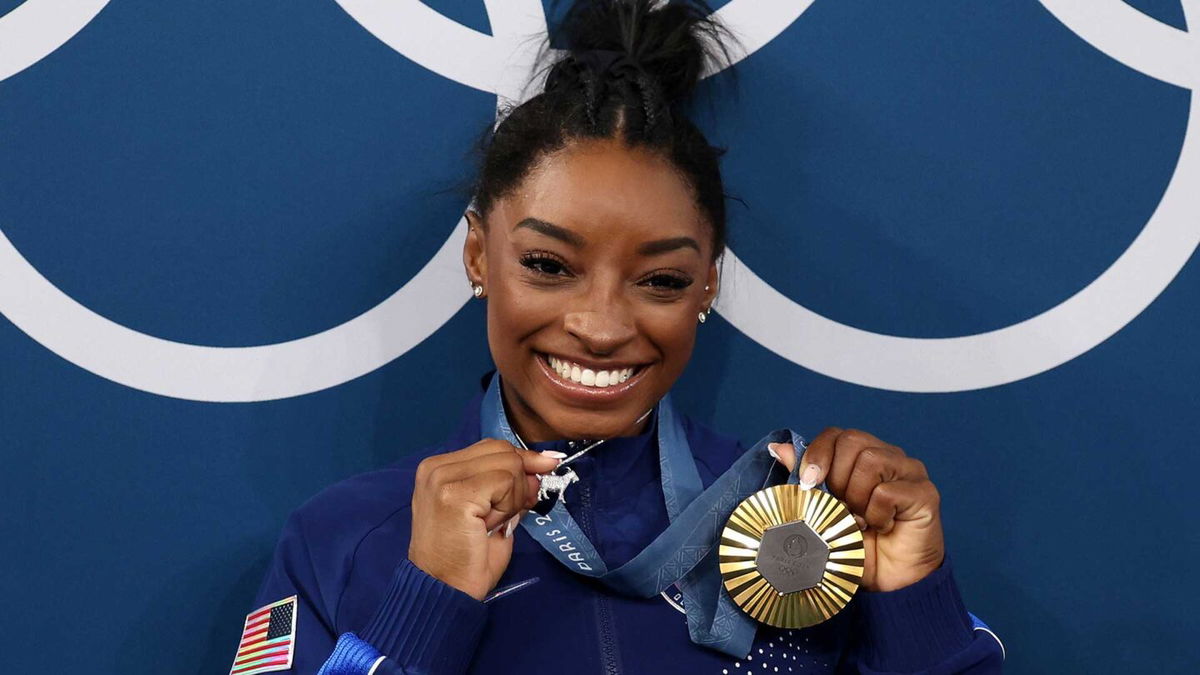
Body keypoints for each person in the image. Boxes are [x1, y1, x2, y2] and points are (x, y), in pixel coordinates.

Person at [231, 2, 1005, 673]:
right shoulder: (345, 539)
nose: (601, 326)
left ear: (707, 283)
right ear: (477, 254)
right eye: (547, 264)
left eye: (661, 279)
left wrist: (914, 604)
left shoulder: (816, 528)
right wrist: (424, 606)